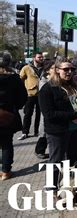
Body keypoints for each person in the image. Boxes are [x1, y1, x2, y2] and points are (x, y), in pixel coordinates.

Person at [39, 58, 77, 191]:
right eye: (66, 69)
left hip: (76, 129)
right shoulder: (47, 89)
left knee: (72, 160)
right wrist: (74, 115)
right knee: (55, 162)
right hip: (57, 131)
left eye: (72, 69)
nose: (69, 72)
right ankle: (51, 189)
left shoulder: (75, 86)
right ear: (57, 70)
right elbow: (49, 114)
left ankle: (69, 187)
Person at [0, 51, 27, 180]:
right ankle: (6, 171)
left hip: (8, 112)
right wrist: (15, 107)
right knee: (6, 143)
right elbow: (23, 97)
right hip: (8, 114)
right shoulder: (14, 78)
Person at [18, 52, 44, 140]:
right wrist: (23, 90)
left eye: (42, 57)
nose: (41, 58)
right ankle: (25, 132)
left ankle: (37, 131)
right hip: (30, 94)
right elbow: (20, 80)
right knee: (28, 114)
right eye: (39, 57)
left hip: (41, 94)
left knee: (39, 114)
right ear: (34, 58)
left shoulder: (44, 68)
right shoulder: (26, 68)